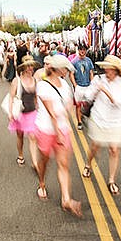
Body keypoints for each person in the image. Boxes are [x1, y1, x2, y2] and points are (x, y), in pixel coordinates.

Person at [34, 54, 82, 218]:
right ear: (59, 69)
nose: (68, 71)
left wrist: (66, 128)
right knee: (44, 161)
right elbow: (52, 113)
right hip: (46, 129)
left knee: (64, 165)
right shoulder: (43, 86)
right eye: (66, 69)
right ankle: (41, 183)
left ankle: (66, 199)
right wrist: (59, 133)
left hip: (62, 129)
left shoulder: (66, 87)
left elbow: (67, 109)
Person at [81, 55, 121, 195]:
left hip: (117, 121)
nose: (106, 70)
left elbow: (119, 102)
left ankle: (111, 180)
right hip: (99, 118)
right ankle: (88, 164)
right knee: (95, 146)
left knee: (114, 150)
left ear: (115, 70)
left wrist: (105, 91)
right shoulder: (99, 80)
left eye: (108, 67)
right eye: (105, 67)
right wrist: (96, 90)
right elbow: (87, 95)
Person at [8, 55, 40, 170]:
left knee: (32, 137)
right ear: (24, 68)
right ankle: (20, 154)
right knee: (20, 136)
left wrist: (38, 108)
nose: (31, 68)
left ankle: (35, 162)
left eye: (32, 66)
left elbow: (36, 97)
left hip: (32, 113)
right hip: (20, 113)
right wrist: (10, 113)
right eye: (29, 66)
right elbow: (11, 97)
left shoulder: (35, 80)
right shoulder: (17, 81)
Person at [70, 44, 95, 130]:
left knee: (88, 103)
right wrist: (75, 85)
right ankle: (79, 122)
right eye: (81, 50)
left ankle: (84, 114)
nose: (82, 51)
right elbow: (71, 74)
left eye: (84, 50)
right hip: (79, 86)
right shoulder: (74, 61)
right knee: (78, 105)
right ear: (78, 50)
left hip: (87, 85)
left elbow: (91, 72)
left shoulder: (88, 61)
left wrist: (92, 83)